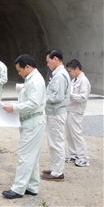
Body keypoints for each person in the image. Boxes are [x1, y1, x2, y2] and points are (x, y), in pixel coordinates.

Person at [1, 54, 46, 199]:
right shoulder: (31, 79)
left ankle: (18, 189)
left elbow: (34, 103)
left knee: (25, 156)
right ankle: (32, 187)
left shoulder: (36, 81)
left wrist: (14, 107)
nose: (19, 73)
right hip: (30, 121)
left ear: (27, 67)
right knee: (32, 156)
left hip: (33, 122)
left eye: (20, 70)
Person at [42, 49, 70, 182]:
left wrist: (43, 97)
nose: (48, 64)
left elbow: (57, 96)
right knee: (53, 142)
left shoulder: (59, 76)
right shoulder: (59, 74)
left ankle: (58, 172)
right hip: (54, 112)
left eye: (49, 61)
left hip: (56, 113)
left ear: (56, 59)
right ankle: (54, 168)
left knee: (57, 143)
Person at [65, 59, 91, 167]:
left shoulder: (84, 81)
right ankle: (73, 154)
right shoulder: (74, 80)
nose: (70, 74)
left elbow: (83, 97)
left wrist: (69, 95)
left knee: (76, 134)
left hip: (76, 110)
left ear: (77, 69)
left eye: (71, 71)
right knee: (69, 133)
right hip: (70, 109)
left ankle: (83, 158)